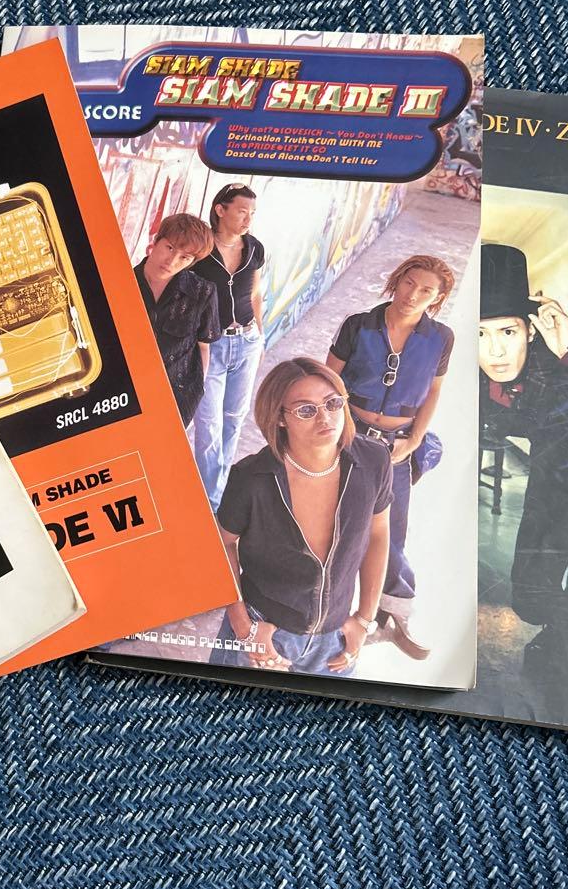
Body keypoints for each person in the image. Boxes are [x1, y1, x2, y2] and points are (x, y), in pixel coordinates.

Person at [479, 243, 568, 726]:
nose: (495, 351)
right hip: (554, 478)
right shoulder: (469, 374)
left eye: (507, 331)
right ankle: (560, 638)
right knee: (530, 591)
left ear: (529, 329)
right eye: (480, 334)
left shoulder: (563, 363)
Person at [210, 357, 392, 677]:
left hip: (334, 642)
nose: (325, 417)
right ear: (280, 418)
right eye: (306, 410)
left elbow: (378, 533)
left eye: (333, 403)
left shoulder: (373, 461)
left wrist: (365, 619)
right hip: (263, 632)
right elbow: (221, 543)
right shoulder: (252, 478)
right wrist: (243, 627)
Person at [326, 254, 455, 660]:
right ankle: (332, 615)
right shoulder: (358, 324)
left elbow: (434, 390)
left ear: (437, 298)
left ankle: (393, 613)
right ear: (397, 280)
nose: (412, 295)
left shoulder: (441, 338)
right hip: (349, 436)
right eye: (409, 283)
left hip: (396, 446)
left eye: (426, 291)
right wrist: (337, 431)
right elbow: (328, 380)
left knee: (391, 531)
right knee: (338, 524)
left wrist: (414, 440)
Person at [191, 183, 266, 509]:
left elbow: (255, 294)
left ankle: (217, 490)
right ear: (220, 210)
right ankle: (211, 502)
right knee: (208, 424)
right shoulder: (201, 249)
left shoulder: (254, 248)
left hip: (247, 342)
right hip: (212, 345)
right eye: (242, 211)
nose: (248, 219)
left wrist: (260, 336)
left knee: (234, 418)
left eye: (252, 213)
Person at [134, 214, 221, 426]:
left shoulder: (203, 292)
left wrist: (195, 394)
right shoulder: (120, 283)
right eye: (170, 248)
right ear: (156, 240)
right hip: (127, 397)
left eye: (185, 257)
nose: (172, 261)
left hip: (176, 399)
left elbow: (203, 346)